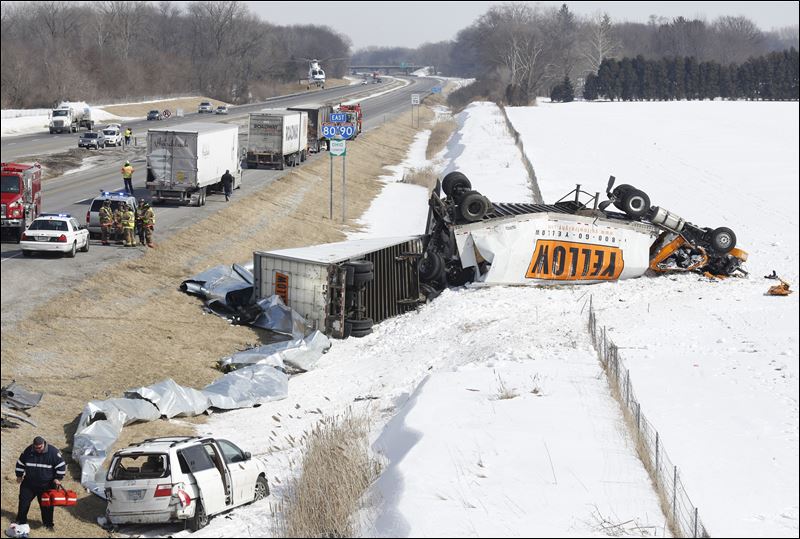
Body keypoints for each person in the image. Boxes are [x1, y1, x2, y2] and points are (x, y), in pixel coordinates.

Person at [14, 436, 66, 533]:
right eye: (36, 447)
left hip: (46, 485)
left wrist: (58, 478)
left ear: (44, 444)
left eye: (40, 447)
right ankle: (20, 521)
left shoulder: (53, 452)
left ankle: (48, 524)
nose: (38, 449)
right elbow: (20, 463)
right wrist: (19, 475)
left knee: (47, 506)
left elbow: (61, 466)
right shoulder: (28, 450)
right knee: (23, 503)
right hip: (29, 484)